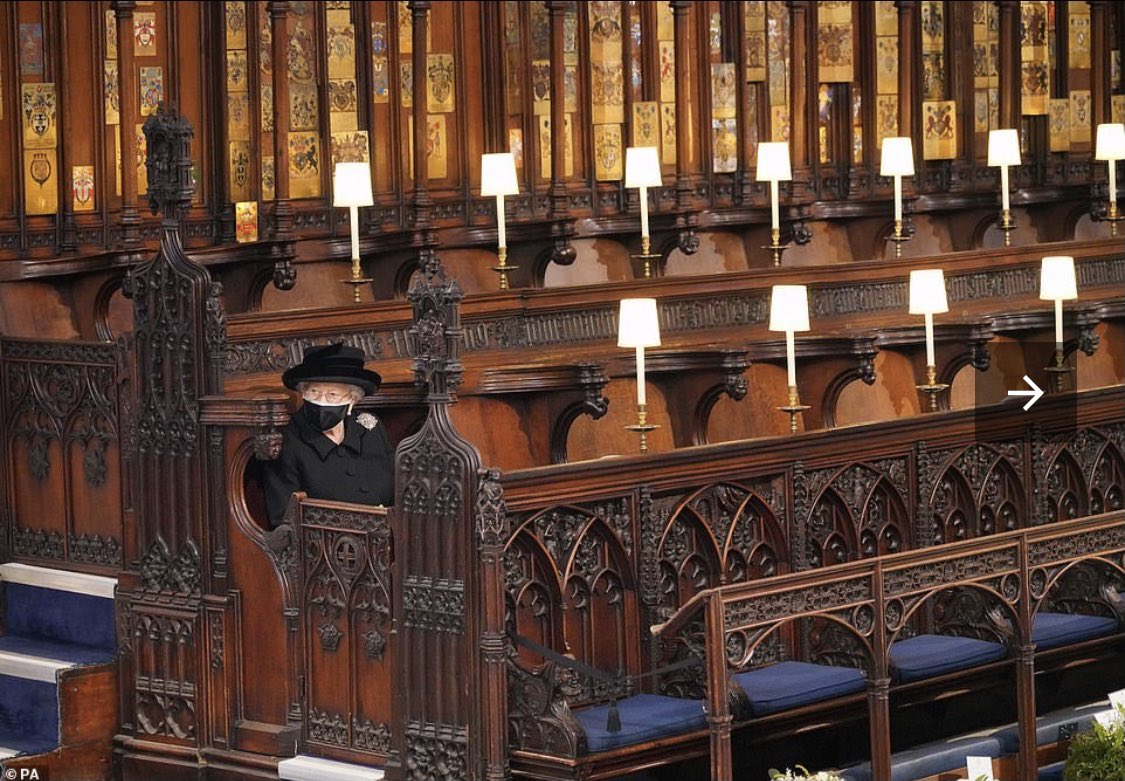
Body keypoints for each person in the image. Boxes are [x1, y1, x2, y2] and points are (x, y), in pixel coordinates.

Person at [262, 343, 394, 526]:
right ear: (303, 393)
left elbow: (397, 492)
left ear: (352, 401)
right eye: (314, 392)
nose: (321, 402)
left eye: (332, 394)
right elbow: (285, 522)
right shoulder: (286, 441)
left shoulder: (370, 427)